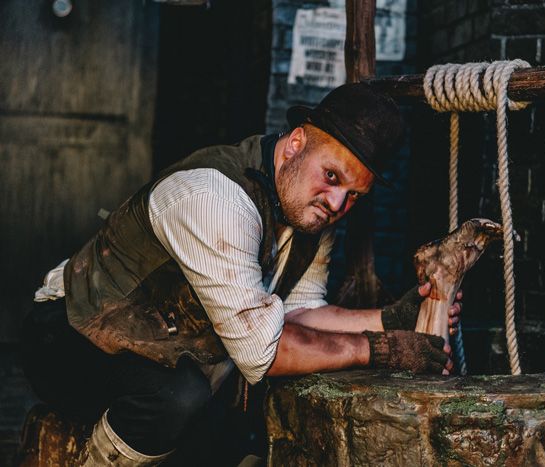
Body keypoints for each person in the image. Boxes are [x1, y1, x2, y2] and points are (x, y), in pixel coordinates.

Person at [21, 83, 462, 466]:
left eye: (353, 195)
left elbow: (297, 314)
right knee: (180, 397)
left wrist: (392, 318)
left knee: (219, 436)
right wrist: (379, 349)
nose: (336, 203)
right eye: (331, 176)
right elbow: (262, 352)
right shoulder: (218, 200)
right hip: (68, 336)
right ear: (295, 144)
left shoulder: (310, 215)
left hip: (166, 351)